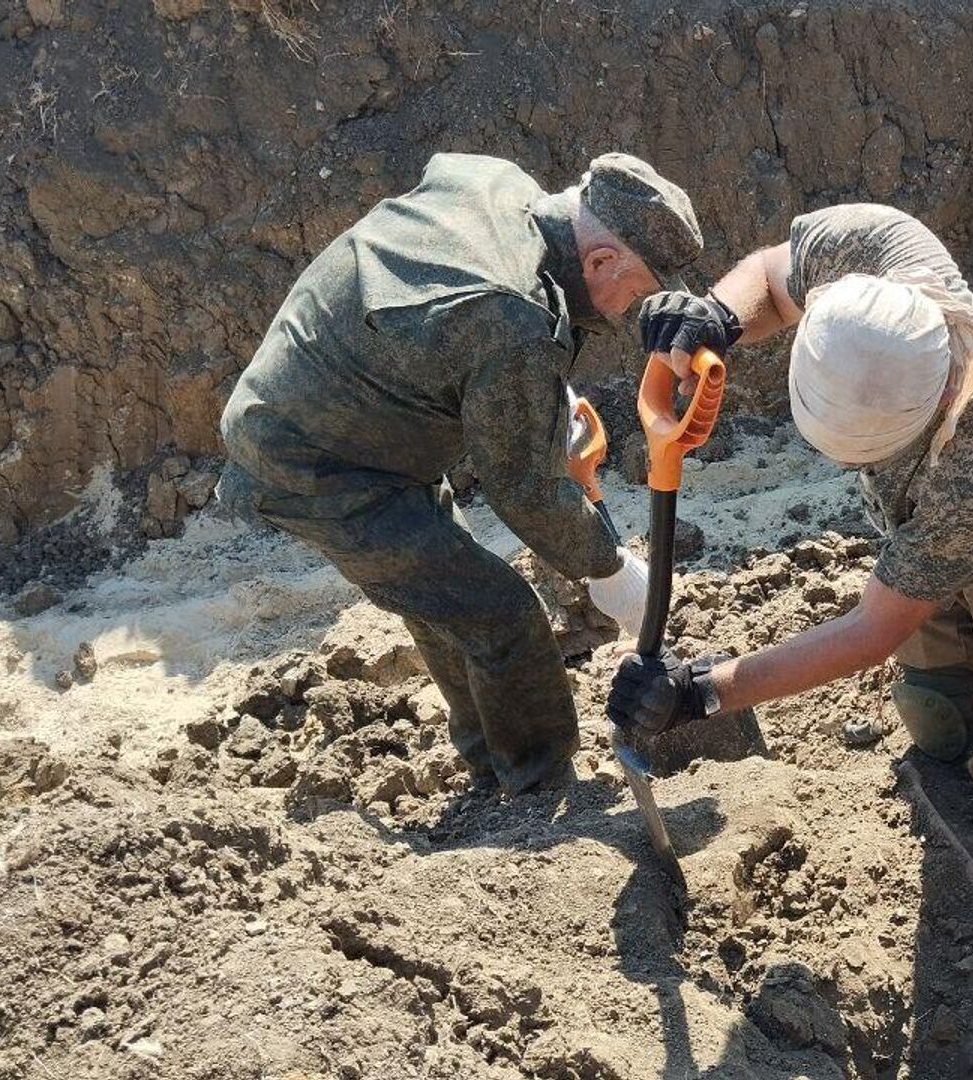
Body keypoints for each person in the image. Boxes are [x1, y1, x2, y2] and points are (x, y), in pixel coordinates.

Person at [610, 205, 973, 822]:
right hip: (923, 527)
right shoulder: (869, 250)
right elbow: (770, 274)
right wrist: (718, 316)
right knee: (942, 727)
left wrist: (705, 690)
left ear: (938, 396)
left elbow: (874, 629)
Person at [218, 151, 706, 795]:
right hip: (316, 459)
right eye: (638, 293)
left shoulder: (498, 185)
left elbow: (451, 304)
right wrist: (609, 568)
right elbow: (524, 492)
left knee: (446, 588)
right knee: (500, 611)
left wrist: (536, 390)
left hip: (356, 407)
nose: (630, 316)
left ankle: (489, 762)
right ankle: (541, 787)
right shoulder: (515, 324)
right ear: (600, 262)